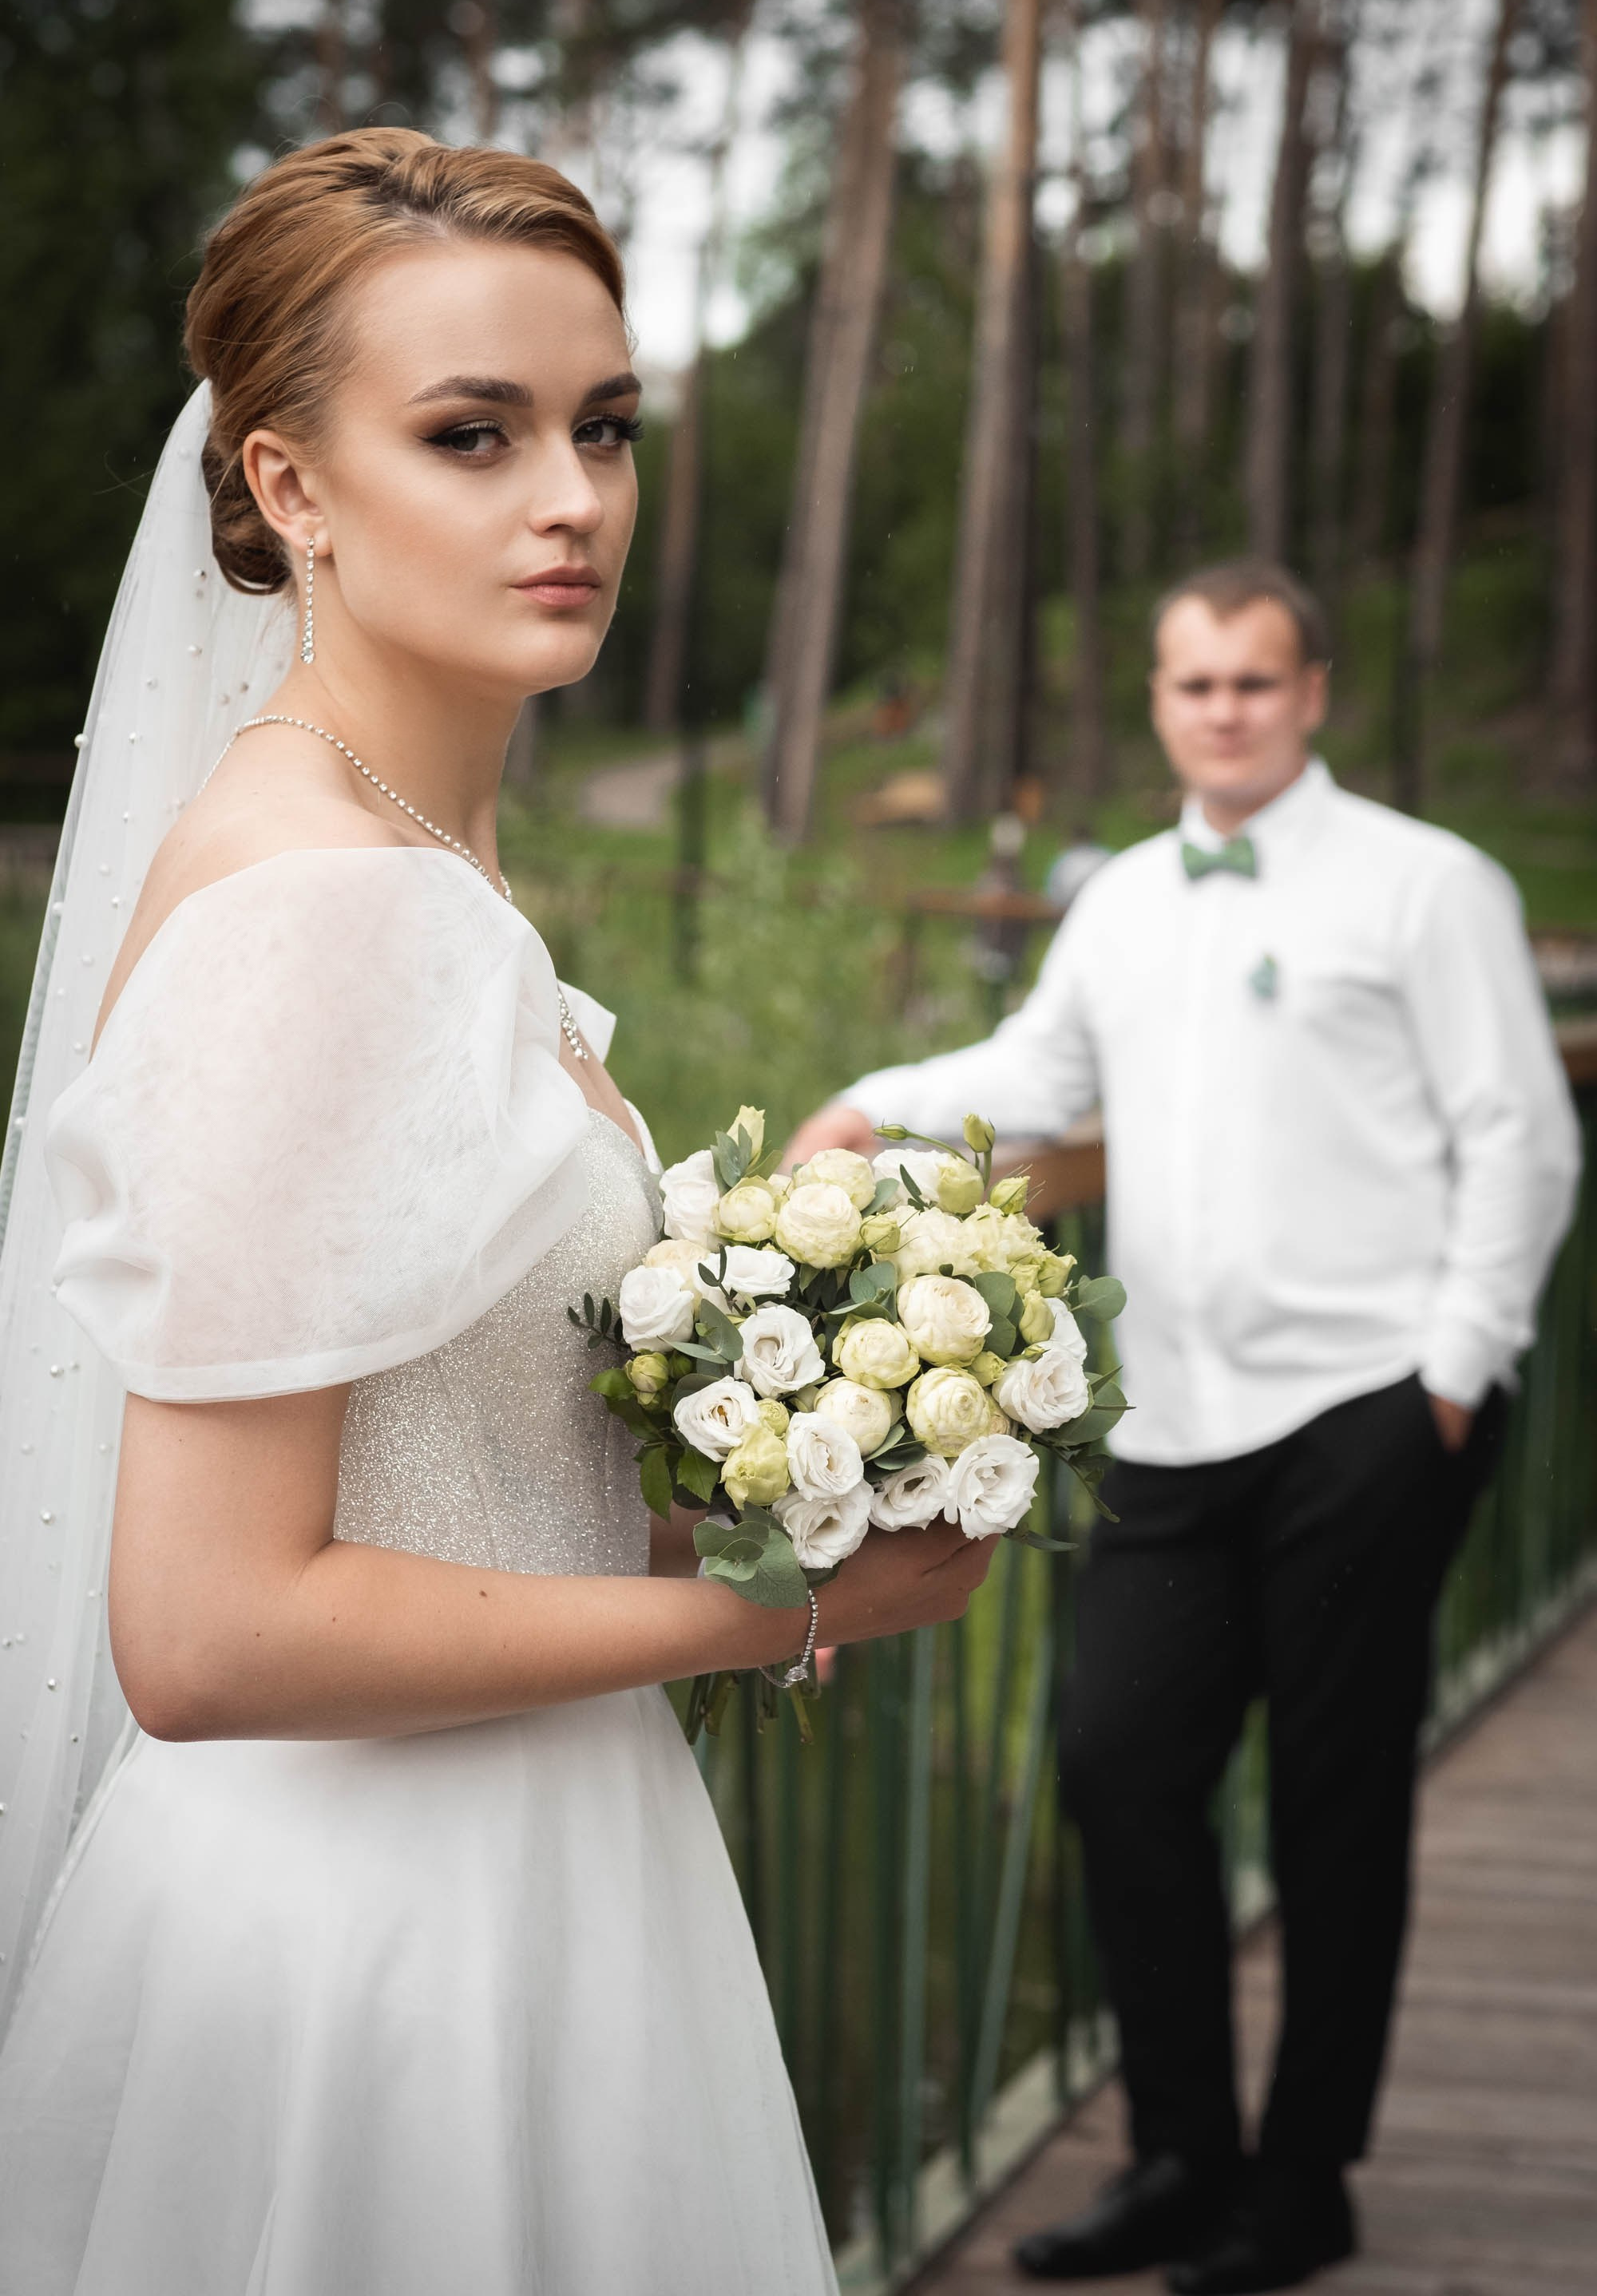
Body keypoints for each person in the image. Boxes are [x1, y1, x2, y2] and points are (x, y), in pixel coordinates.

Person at [0, 131, 999, 2296]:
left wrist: (769, 1490)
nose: (575, 499)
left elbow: (439, 1474)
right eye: (475, 434)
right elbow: (209, 1631)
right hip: (382, 1944)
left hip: (516, 1857)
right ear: (290, 488)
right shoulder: (325, 912)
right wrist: (792, 1614)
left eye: (605, 428)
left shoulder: (411, 870)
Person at [787, 559, 1582, 2294]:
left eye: (1252, 682)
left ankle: (1305, 2189)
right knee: (1119, 1770)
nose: (1220, 709)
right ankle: (1173, 2158)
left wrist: (1452, 1374)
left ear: (1310, 695)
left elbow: (1519, 1137)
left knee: (1328, 1802)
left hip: (1370, 1412)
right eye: (1190, 684)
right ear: (1158, 700)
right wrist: (871, 1106)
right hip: (1169, 1427)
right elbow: (1043, 1077)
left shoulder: (1425, 886)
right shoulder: (1128, 900)